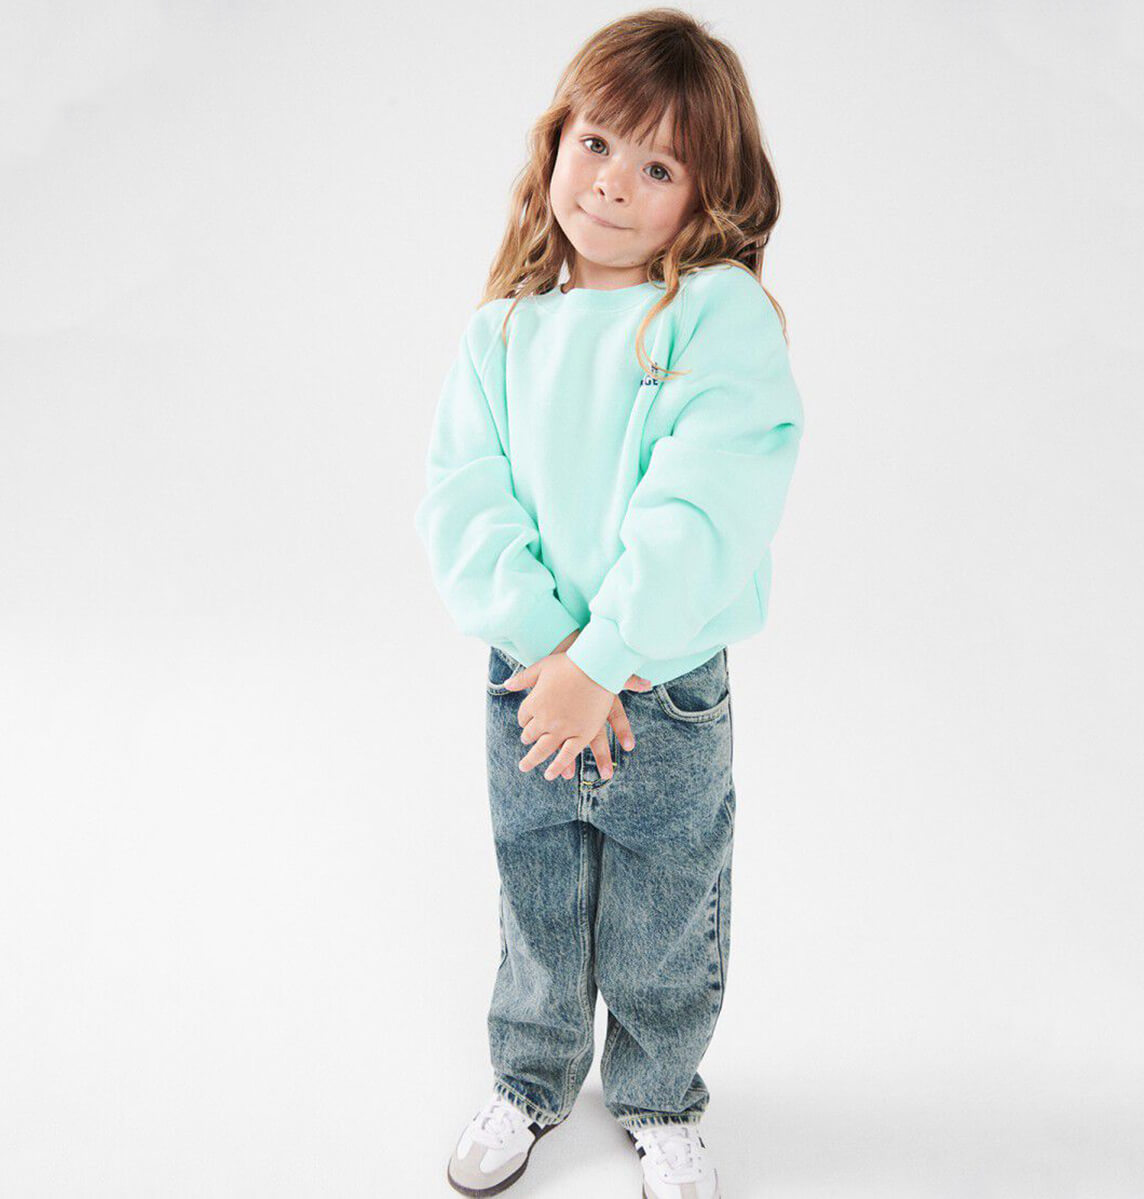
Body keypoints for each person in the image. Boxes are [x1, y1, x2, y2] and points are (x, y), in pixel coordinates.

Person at [414, 10, 805, 1197]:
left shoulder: (714, 317)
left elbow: (703, 505)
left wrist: (608, 654)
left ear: (707, 194)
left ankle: (659, 1096)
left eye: (659, 166)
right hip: (531, 680)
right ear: (555, 145)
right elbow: (466, 496)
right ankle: (529, 1078)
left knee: (662, 907)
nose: (614, 182)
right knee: (537, 889)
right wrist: (555, 652)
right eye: (596, 143)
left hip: (660, 686)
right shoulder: (503, 330)